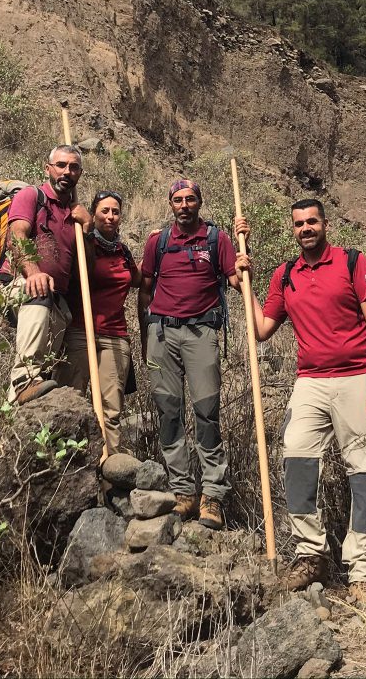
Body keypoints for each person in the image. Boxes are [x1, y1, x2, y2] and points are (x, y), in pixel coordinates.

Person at [235, 198, 366, 604]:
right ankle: (310, 554)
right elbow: (263, 329)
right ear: (293, 230)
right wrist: (244, 286)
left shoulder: (353, 262)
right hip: (311, 382)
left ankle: (363, 573)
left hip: (357, 379)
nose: (306, 228)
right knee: (296, 455)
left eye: (312, 222)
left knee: (364, 470)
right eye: (299, 224)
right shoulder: (285, 275)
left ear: (325, 224)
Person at [138, 179, 242, 530]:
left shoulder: (218, 239)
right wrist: (145, 335)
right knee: (169, 412)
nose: (184, 205)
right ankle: (184, 492)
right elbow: (146, 288)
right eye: (178, 200)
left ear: (199, 202)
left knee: (206, 412)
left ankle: (212, 495)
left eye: (190, 199)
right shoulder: (158, 241)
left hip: (201, 333)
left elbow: (236, 280)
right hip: (162, 333)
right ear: (170, 204)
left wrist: (244, 263)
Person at [1, 145, 91, 405]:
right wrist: (34, 273)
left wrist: (86, 227)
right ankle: (23, 380)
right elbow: (16, 236)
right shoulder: (32, 196)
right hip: (22, 285)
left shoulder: (75, 214)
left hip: (57, 300)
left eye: (73, 167)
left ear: (80, 174)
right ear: (47, 168)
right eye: (61, 165)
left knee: (45, 376)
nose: (67, 171)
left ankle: (18, 411)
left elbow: (85, 267)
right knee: (38, 295)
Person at [57, 190, 142, 455]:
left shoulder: (123, 252)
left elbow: (139, 279)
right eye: (104, 210)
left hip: (116, 335)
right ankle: (68, 469)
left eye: (115, 212)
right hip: (80, 332)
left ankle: (111, 469)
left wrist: (153, 246)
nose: (110, 216)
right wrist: (83, 229)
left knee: (111, 410)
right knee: (70, 403)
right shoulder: (82, 244)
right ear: (94, 213)